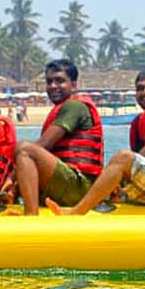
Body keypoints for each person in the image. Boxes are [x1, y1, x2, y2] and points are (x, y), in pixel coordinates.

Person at [51, 69, 145, 214]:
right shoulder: (140, 122)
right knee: (108, 190)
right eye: (140, 89)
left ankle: (77, 211)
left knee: (123, 158)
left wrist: (119, 180)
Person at [13, 59, 104, 215]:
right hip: (66, 186)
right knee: (25, 154)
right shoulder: (62, 109)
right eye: (49, 82)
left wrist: (11, 176)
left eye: (60, 81)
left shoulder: (75, 106)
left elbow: (44, 145)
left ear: (74, 85)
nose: (53, 86)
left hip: (80, 187)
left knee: (25, 149)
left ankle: (31, 216)